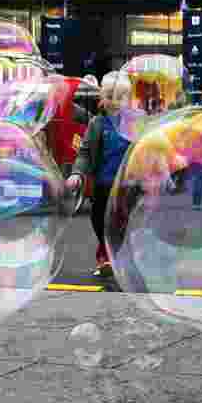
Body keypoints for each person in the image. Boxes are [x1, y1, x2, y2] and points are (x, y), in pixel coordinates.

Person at [67, 72, 132, 277]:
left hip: (125, 186)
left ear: (128, 99)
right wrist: (77, 173)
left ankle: (110, 259)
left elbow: (146, 150)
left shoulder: (133, 123)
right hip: (103, 185)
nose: (115, 102)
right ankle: (106, 254)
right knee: (99, 222)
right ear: (102, 97)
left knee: (119, 224)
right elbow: (85, 152)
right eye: (110, 97)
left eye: (121, 97)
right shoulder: (97, 123)